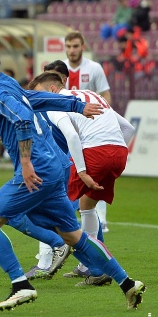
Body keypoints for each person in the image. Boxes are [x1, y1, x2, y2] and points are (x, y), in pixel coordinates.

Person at [0, 45, 145, 311]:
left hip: (37, 168)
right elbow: (36, 102)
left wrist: (24, 163)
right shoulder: (7, 85)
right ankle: (128, 284)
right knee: (74, 236)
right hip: (56, 166)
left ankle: (20, 286)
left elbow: (23, 119)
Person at [29, 72, 136, 286]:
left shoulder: (56, 103)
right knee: (86, 206)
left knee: (53, 206)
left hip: (95, 152)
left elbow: (72, 136)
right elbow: (129, 128)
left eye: (39, 94)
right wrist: (112, 155)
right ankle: (93, 267)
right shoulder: (90, 94)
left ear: (51, 90)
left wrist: (81, 170)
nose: (37, 101)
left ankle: (65, 251)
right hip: (119, 152)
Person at [63, 30, 113, 273]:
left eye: (75, 46)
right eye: (68, 46)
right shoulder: (59, 69)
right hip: (68, 133)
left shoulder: (93, 69)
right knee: (82, 194)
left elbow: (105, 96)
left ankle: (90, 257)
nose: (72, 50)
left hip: (89, 135)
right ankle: (91, 261)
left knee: (87, 190)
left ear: (82, 46)